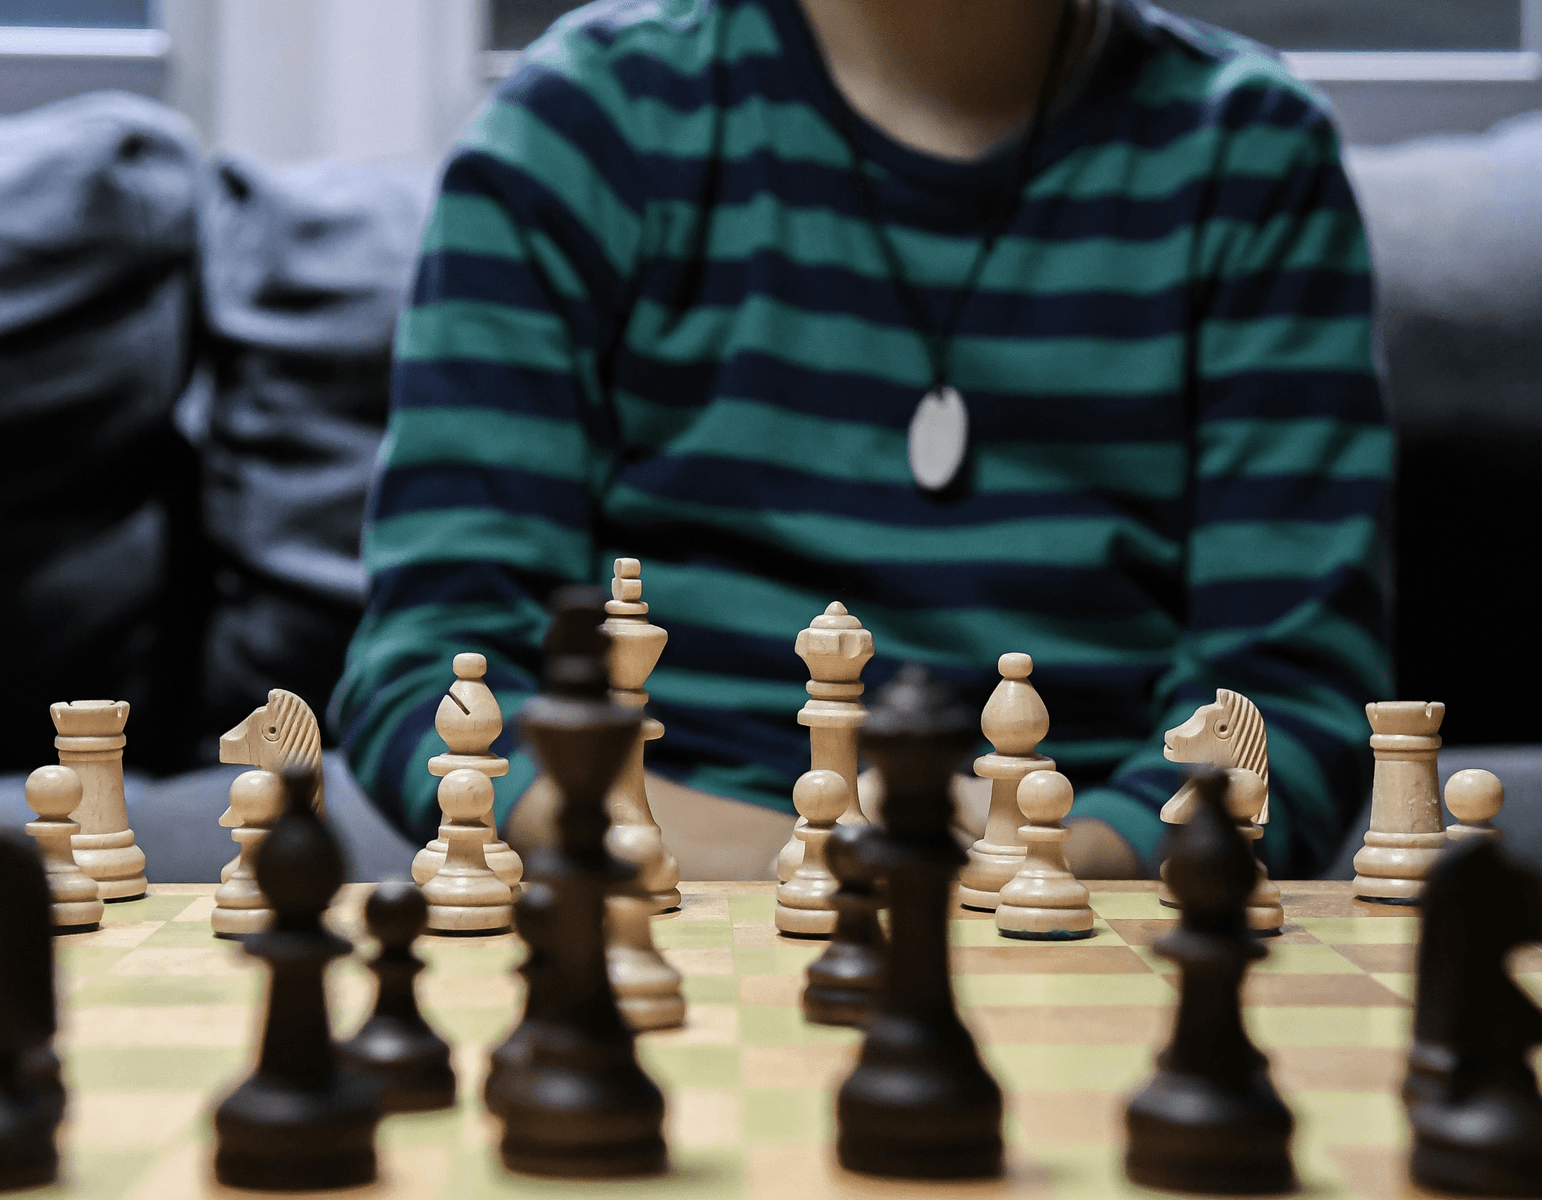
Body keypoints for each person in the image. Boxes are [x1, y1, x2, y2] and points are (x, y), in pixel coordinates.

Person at [333, 0, 1388, 882]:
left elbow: (1288, 698)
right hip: (666, 894)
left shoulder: (1253, 155)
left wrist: (1058, 862)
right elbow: (426, 673)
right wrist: (815, 869)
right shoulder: (583, 129)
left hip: (1089, 903)